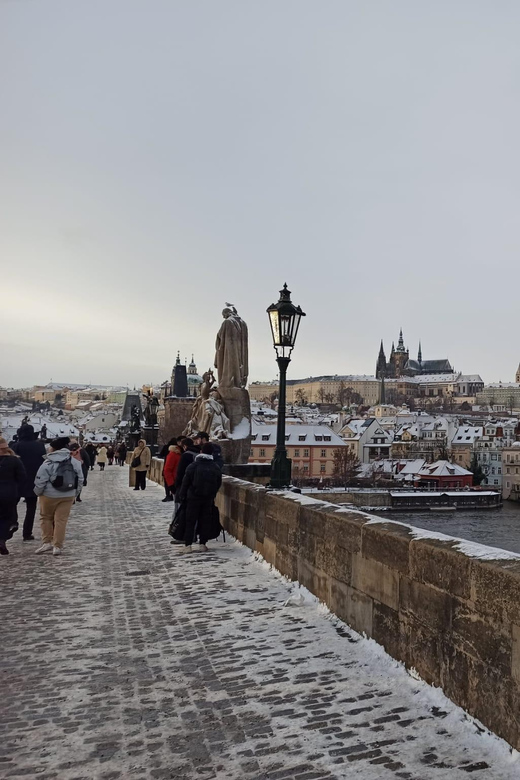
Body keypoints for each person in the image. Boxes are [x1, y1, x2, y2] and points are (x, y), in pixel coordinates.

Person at [33, 436, 83, 556]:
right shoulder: (74, 461)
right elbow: (80, 479)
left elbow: (40, 480)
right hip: (68, 495)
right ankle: (57, 546)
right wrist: (75, 493)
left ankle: (46, 542)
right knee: (61, 520)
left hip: (48, 495)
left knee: (46, 518)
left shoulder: (48, 462)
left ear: (54, 449)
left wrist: (38, 492)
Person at [177, 443, 222, 553]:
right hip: (208, 499)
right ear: (211, 453)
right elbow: (218, 483)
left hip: (193, 498)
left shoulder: (193, 465)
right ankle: (202, 544)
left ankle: (188, 545)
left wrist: (182, 495)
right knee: (205, 520)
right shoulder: (215, 467)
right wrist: (212, 493)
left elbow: (185, 482)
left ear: (201, 452)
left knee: (190, 521)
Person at [11, 423, 46, 540]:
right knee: (31, 509)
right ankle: (27, 533)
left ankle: (12, 523)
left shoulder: (16, 446)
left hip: (17, 481)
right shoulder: (40, 446)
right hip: (33, 481)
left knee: (11, 506)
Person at [0, 438, 26, 555]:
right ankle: (2, 540)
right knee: (7, 518)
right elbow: (22, 477)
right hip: (9, 494)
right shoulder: (14, 461)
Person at [163, 438, 182, 502]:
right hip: (175, 482)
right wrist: (171, 485)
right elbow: (167, 470)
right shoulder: (173, 454)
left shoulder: (181, 454)